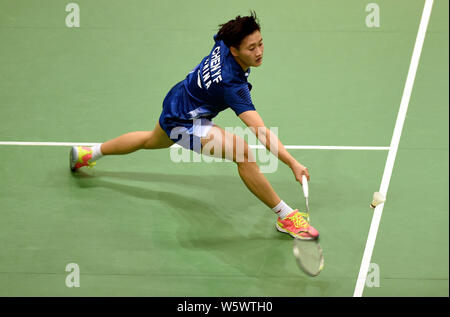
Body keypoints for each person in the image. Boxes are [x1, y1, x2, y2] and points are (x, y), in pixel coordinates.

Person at [70, 11, 319, 240]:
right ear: (234, 50)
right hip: (185, 121)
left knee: (149, 140)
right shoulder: (233, 87)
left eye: (261, 43)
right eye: (251, 48)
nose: (259, 52)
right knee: (243, 153)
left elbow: (222, 33)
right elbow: (262, 133)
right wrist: (293, 163)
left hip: (178, 100)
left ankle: (88, 153)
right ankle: (285, 216)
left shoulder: (223, 41)